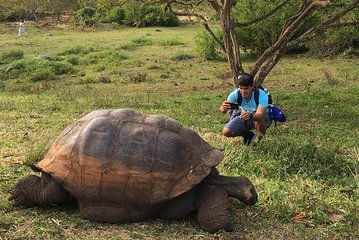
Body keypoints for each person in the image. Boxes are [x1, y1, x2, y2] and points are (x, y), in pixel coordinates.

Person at [219, 73, 271, 145]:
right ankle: (248, 135)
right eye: (241, 88)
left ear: (252, 87)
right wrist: (223, 108)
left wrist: (250, 116)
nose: (243, 91)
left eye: (246, 88)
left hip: (261, 118)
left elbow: (260, 115)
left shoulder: (261, 95)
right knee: (226, 131)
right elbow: (223, 110)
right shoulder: (235, 94)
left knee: (258, 119)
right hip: (244, 116)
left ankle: (260, 140)